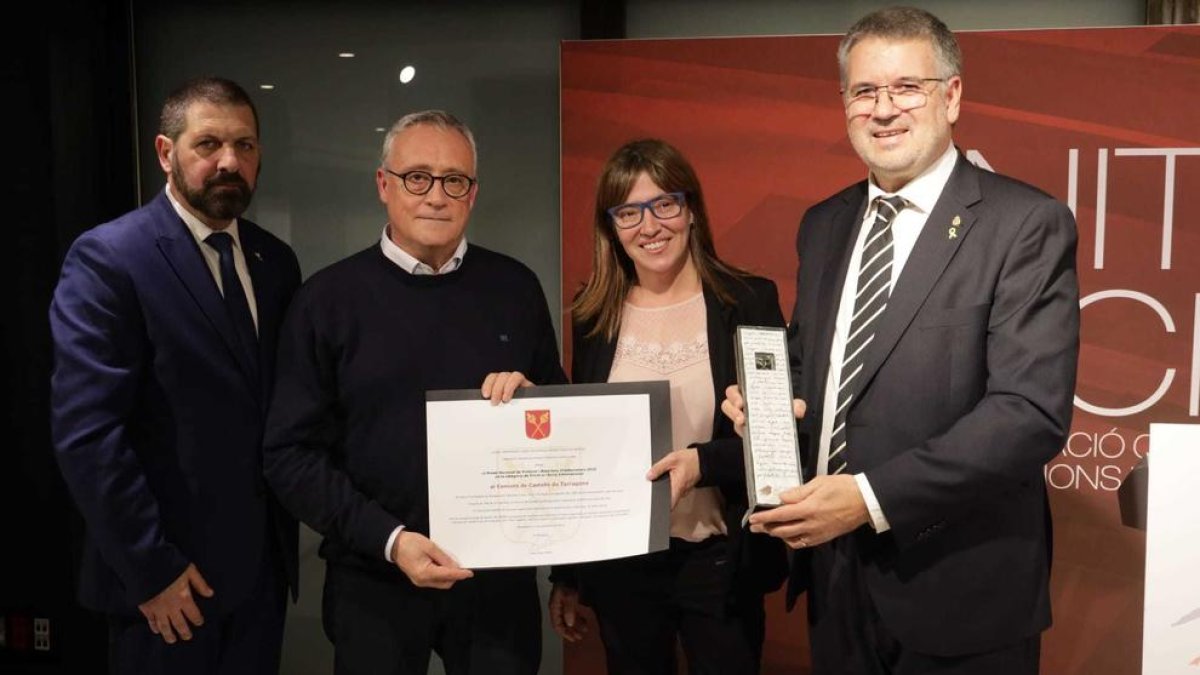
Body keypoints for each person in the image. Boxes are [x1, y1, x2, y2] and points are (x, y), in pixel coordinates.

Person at [722, 7, 1079, 674]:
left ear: (952, 95)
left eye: (906, 87)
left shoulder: (1025, 224)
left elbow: (1028, 413)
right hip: (836, 582)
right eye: (864, 91)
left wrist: (868, 497)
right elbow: (825, 369)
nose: (883, 109)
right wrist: (773, 405)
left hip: (963, 592)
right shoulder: (823, 225)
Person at [262, 110, 566, 675]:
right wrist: (390, 540)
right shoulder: (326, 301)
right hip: (374, 577)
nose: (435, 196)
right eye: (416, 177)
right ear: (384, 185)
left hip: (495, 584)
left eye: (454, 180)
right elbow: (289, 455)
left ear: (472, 193)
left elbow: (562, 427)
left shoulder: (515, 287)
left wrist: (536, 403)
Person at [49, 76, 301, 674]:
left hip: (260, 579)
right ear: (166, 152)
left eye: (245, 145)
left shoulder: (274, 262)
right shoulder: (109, 259)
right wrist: (150, 568)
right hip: (166, 589)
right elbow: (88, 435)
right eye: (208, 144)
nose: (229, 162)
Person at [546, 139, 787, 674]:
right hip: (622, 566)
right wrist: (567, 573)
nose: (649, 225)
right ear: (611, 227)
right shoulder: (593, 316)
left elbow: (777, 439)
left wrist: (703, 463)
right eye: (628, 212)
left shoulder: (748, 301)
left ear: (692, 210)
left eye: (665, 204)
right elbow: (580, 450)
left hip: (719, 559)